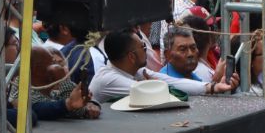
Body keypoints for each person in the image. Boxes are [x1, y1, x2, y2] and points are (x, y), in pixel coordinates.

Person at [90, 30, 237, 102]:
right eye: (143, 47)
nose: (147, 49)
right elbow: (155, 92)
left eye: (193, 48)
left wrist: (213, 87)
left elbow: (170, 82)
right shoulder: (108, 79)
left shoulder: (137, 71)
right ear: (131, 57)